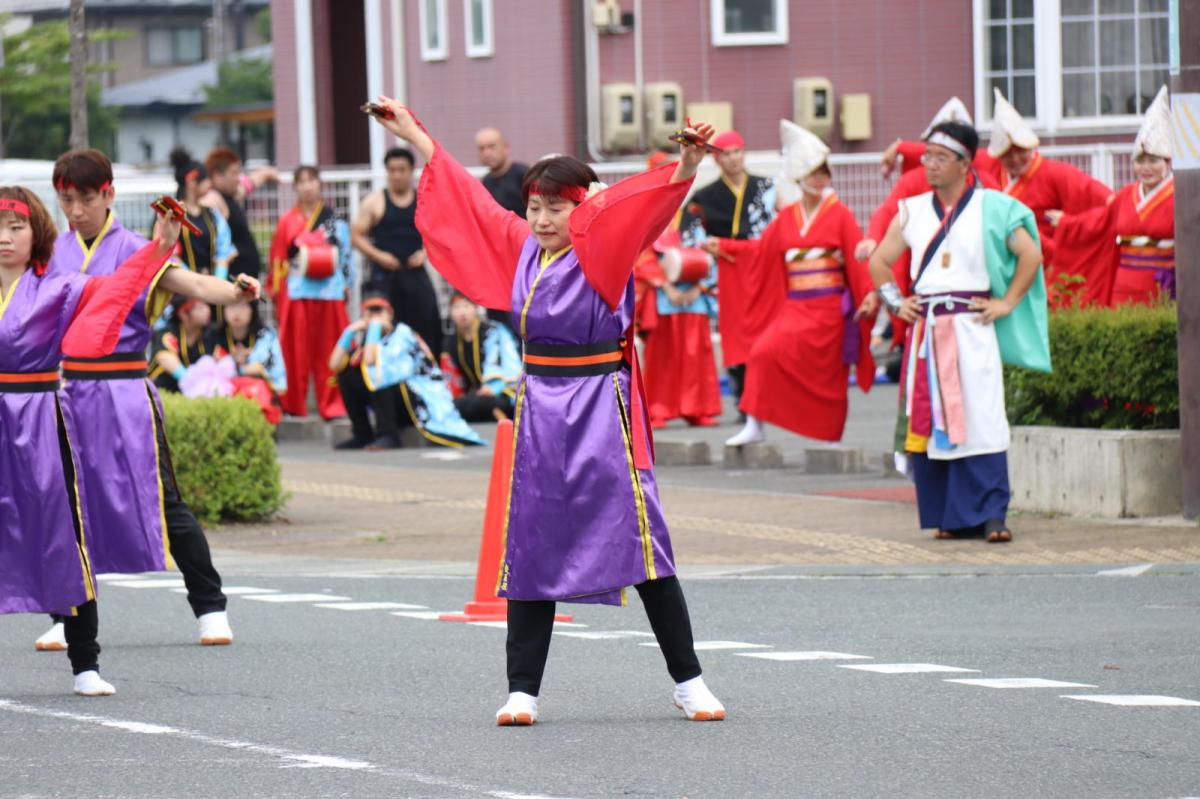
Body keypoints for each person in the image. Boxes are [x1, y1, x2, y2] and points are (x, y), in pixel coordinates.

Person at [370, 97, 726, 724]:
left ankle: (688, 680)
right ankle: (522, 690)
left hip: (599, 406)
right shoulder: (523, 249)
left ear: (584, 208)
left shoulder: (605, 249)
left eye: (555, 208)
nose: (539, 219)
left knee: (643, 544)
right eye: (533, 207)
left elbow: (639, 215)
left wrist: (684, 166)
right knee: (530, 545)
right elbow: (473, 204)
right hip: (540, 409)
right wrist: (419, 137)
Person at [35, 149, 260, 654]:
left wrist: (237, 292)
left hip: (125, 392)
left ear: (109, 194)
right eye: (66, 200)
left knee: (165, 501)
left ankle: (210, 606)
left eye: (86, 199)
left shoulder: (140, 247)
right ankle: (63, 613)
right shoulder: (53, 255)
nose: (75, 211)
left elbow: (194, 284)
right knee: (65, 505)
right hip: (69, 394)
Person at [0, 185, 179, 694]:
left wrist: (158, 248)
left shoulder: (59, 287)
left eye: (15, 227)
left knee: (65, 533)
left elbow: (118, 288)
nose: (4, 238)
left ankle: (86, 664)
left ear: (37, 233)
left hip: (41, 416)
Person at [868, 122, 1049, 544]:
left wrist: (1006, 303)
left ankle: (991, 515)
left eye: (939, 158)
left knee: (982, 416)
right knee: (934, 421)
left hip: (973, 326)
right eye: (926, 156)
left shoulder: (995, 207)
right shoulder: (911, 210)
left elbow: (1030, 254)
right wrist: (896, 302)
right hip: (928, 330)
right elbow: (879, 261)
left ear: (965, 164)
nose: (928, 165)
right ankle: (949, 515)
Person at [705, 121, 878, 447]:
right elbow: (760, 252)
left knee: (830, 374)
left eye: (823, 171)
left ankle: (830, 434)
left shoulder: (839, 214)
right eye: (813, 172)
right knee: (762, 353)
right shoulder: (787, 218)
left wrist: (868, 294)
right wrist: (726, 247)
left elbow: (858, 257)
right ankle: (755, 424)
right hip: (796, 308)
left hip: (829, 309)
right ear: (800, 177)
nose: (819, 178)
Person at [880, 90, 1111, 307]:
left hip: (1041, 264)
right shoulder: (989, 171)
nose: (1016, 159)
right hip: (992, 271)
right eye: (1008, 155)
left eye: (1021, 151)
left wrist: (1070, 224)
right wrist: (901, 148)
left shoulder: (1057, 173)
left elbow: (1111, 204)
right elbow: (947, 154)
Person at [1048, 86, 1175, 306]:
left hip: (1164, 285)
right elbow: (1099, 222)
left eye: (1153, 160)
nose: (1146, 168)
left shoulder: (1179, 197)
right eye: (1140, 161)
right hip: (1123, 286)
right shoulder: (1126, 195)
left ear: (1167, 162)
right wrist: (1067, 223)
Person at [682, 129, 776, 419]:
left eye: (737, 151)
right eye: (726, 153)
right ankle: (743, 399)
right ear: (716, 159)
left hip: (762, 266)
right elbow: (686, 230)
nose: (734, 158)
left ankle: (768, 397)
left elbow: (783, 220)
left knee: (766, 331)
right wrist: (704, 245)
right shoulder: (704, 195)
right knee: (735, 334)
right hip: (727, 266)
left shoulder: (766, 186)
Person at [330, 291, 484, 450]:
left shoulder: (402, 334)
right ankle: (362, 433)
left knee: (378, 374)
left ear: (390, 313)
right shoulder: (370, 339)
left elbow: (372, 362)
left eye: (379, 311)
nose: (375, 317)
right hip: (394, 399)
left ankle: (389, 435)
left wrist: (374, 328)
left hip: (418, 403)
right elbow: (334, 365)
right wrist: (349, 332)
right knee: (346, 375)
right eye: (370, 313)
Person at [641, 150, 722, 429]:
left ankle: (697, 407)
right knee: (661, 354)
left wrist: (700, 286)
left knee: (696, 351)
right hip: (664, 293)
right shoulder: (645, 213)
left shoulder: (693, 211)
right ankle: (657, 408)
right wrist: (665, 285)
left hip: (694, 291)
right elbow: (640, 255)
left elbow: (708, 250)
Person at [271, 165, 353, 420]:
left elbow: (346, 256)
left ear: (320, 184)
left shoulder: (334, 219)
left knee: (331, 349)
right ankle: (293, 403)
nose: (307, 186)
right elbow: (277, 259)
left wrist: (347, 284)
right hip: (297, 292)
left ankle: (333, 404)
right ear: (295, 187)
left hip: (330, 292)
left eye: (312, 180)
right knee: (295, 351)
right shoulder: (288, 220)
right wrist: (278, 294)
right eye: (302, 181)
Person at [351, 147, 444, 355]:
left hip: (415, 273)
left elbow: (438, 233)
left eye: (401, 170)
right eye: (392, 170)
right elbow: (356, 236)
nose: (397, 175)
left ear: (411, 171)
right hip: (384, 276)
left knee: (427, 324)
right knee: (382, 329)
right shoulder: (375, 201)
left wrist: (425, 252)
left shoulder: (424, 201)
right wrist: (378, 256)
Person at [476, 126, 528, 331]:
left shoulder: (523, 175)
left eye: (492, 147)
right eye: (481, 149)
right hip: (498, 262)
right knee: (498, 320)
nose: (487, 153)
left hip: (525, 258)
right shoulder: (486, 183)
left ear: (506, 148)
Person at [440, 290, 521, 422]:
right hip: (472, 396)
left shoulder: (494, 332)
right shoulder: (450, 342)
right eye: (457, 307)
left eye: (466, 306)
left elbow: (511, 369)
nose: (462, 312)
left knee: (490, 402)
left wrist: (493, 387)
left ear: (476, 308)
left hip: (500, 393)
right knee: (450, 406)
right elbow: (450, 379)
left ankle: (502, 422)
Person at [202, 146, 278, 282]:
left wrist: (267, 173)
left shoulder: (231, 195)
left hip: (245, 281)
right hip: (233, 284)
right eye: (234, 173)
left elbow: (250, 183)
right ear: (217, 175)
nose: (238, 178)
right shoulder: (212, 199)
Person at [169, 148, 236, 281]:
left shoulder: (213, 215)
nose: (210, 183)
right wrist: (196, 283)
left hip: (212, 287)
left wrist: (217, 282)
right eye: (206, 179)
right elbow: (170, 254)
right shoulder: (170, 216)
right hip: (183, 288)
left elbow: (225, 251)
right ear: (192, 182)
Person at [208, 297, 288, 406]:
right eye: (231, 306)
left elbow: (274, 371)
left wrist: (239, 366)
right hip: (223, 393)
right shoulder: (213, 335)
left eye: (242, 306)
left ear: (253, 310)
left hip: (257, 393)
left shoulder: (266, 335)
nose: (236, 312)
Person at [150, 295, 213, 393]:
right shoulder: (167, 333)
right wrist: (189, 379)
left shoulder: (209, 336)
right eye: (200, 308)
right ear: (183, 314)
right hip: (163, 393)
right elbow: (164, 358)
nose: (207, 310)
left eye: (206, 306)